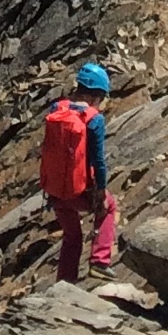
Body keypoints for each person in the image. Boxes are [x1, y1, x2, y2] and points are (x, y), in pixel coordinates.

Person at [40, 60, 117, 281]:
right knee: (109, 207)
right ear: (95, 96)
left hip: (54, 191)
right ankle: (100, 262)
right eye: (101, 99)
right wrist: (100, 191)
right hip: (79, 189)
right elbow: (98, 162)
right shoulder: (94, 120)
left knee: (72, 236)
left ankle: (65, 282)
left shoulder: (57, 109)